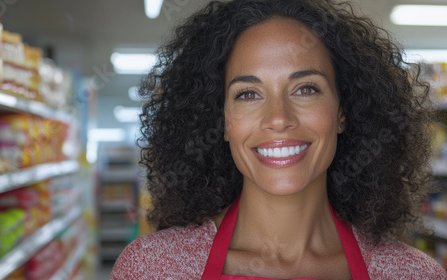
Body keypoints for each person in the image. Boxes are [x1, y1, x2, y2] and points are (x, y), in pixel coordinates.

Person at [110, 0, 447, 279]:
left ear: (343, 111)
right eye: (248, 94)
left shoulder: (412, 273)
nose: (279, 118)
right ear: (223, 122)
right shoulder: (150, 268)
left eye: (306, 89)